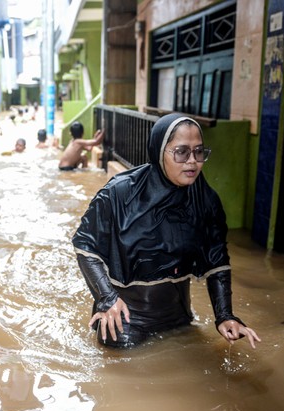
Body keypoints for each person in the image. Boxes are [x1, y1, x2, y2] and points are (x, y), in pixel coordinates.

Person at [72, 113, 261, 349]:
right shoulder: (119, 193)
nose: (192, 161)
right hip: (126, 320)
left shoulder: (205, 200)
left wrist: (225, 315)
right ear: (159, 151)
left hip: (179, 316)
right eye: (182, 152)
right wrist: (107, 299)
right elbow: (85, 247)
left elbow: (217, 262)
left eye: (199, 152)